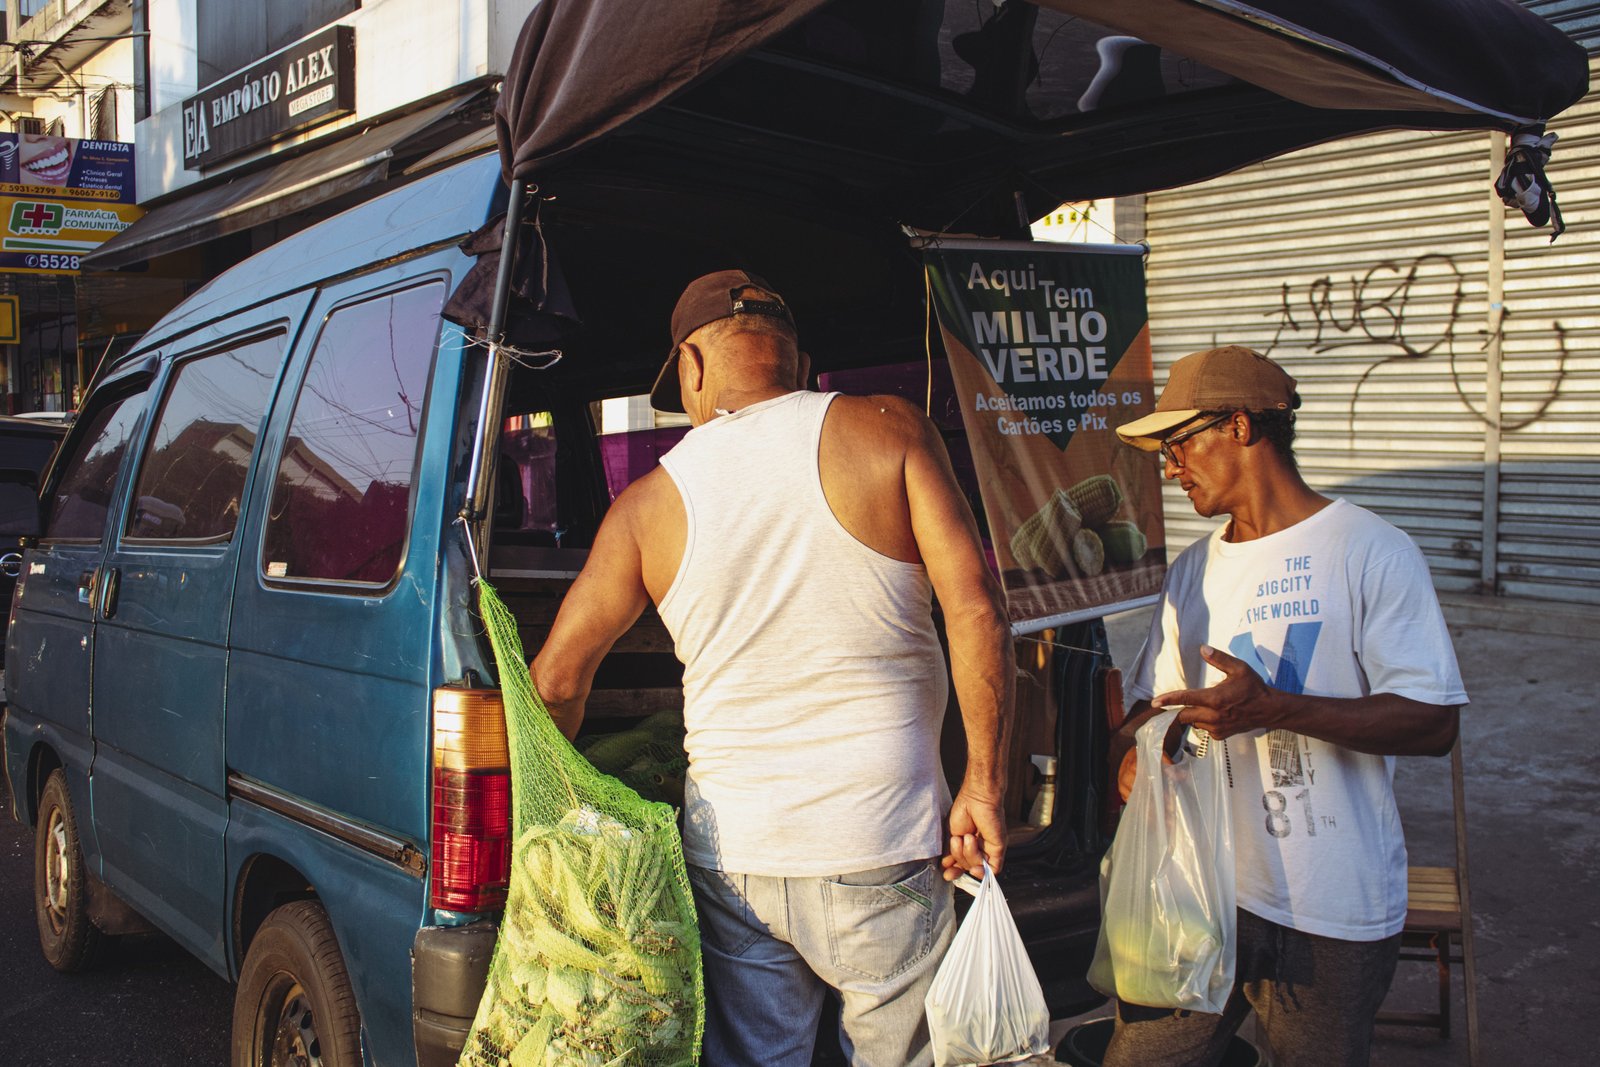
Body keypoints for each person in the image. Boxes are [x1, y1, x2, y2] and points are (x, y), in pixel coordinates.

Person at [529, 270, 1015, 1066]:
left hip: (735, 859)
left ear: (691, 364)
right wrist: (985, 785)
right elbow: (977, 609)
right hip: (882, 840)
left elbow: (554, 681)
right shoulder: (891, 431)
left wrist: (558, 826)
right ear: (799, 358)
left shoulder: (647, 505)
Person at [1105, 345, 1467, 1067]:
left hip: (1330, 908)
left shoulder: (1368, 550)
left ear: (1239, 426)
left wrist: (1274, 707)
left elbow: (1434, 722)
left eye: (1180, 445)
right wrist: (1144, 751)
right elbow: (1152, 709)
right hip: (1205, 893)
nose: (1171, 470)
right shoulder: (1193, 570)